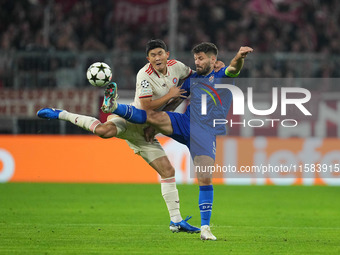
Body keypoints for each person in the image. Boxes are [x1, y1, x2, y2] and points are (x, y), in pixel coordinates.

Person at [37, 39, 201, 233]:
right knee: (103, 131)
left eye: (160, 53)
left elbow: (195, 77)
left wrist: (215, 68)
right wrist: (171, 95)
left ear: (168, 54)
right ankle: (62, 113)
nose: (157, 58)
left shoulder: (177, 67)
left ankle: (176, 221)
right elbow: (148, 106)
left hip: (146, 132)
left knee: (168, 171)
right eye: (153, 55)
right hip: (132, 119)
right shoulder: (144, 75)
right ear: (148, 59)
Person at [100, 42, 253, 240]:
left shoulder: (222, 75)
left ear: (213, 59)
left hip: (204, 134)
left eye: (201, 58)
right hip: (184, 123)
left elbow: (234, 68)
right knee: (153, 115)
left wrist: (240, 56)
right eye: (196, 58)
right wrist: (154, 127)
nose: (197, 62)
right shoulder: (192, 80)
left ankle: (205, 229)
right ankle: (113, 107)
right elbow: (174, 102)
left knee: (204, 178)